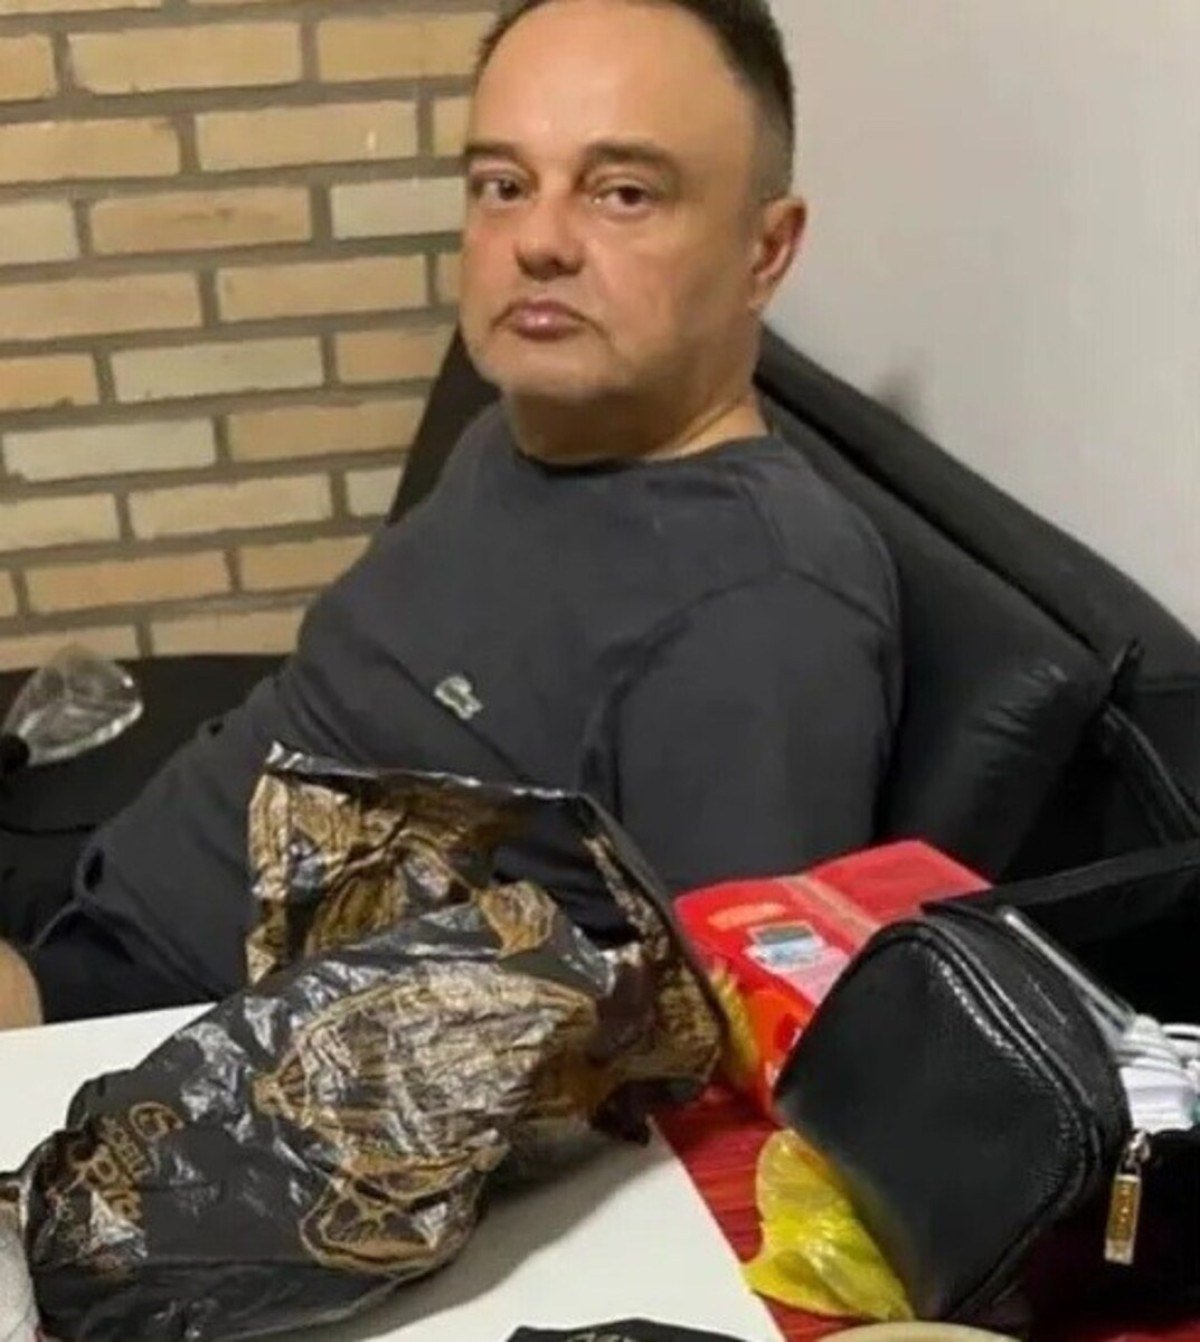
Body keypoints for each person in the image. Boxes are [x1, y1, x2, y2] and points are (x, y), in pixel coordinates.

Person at [0, 0, 901, 1029]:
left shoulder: (761, 614)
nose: (537, 242)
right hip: (106, 894)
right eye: (503, 185)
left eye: (623, 192)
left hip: (148, 1030)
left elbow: (712, 1055)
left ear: (766, 250)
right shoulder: (520, 431)